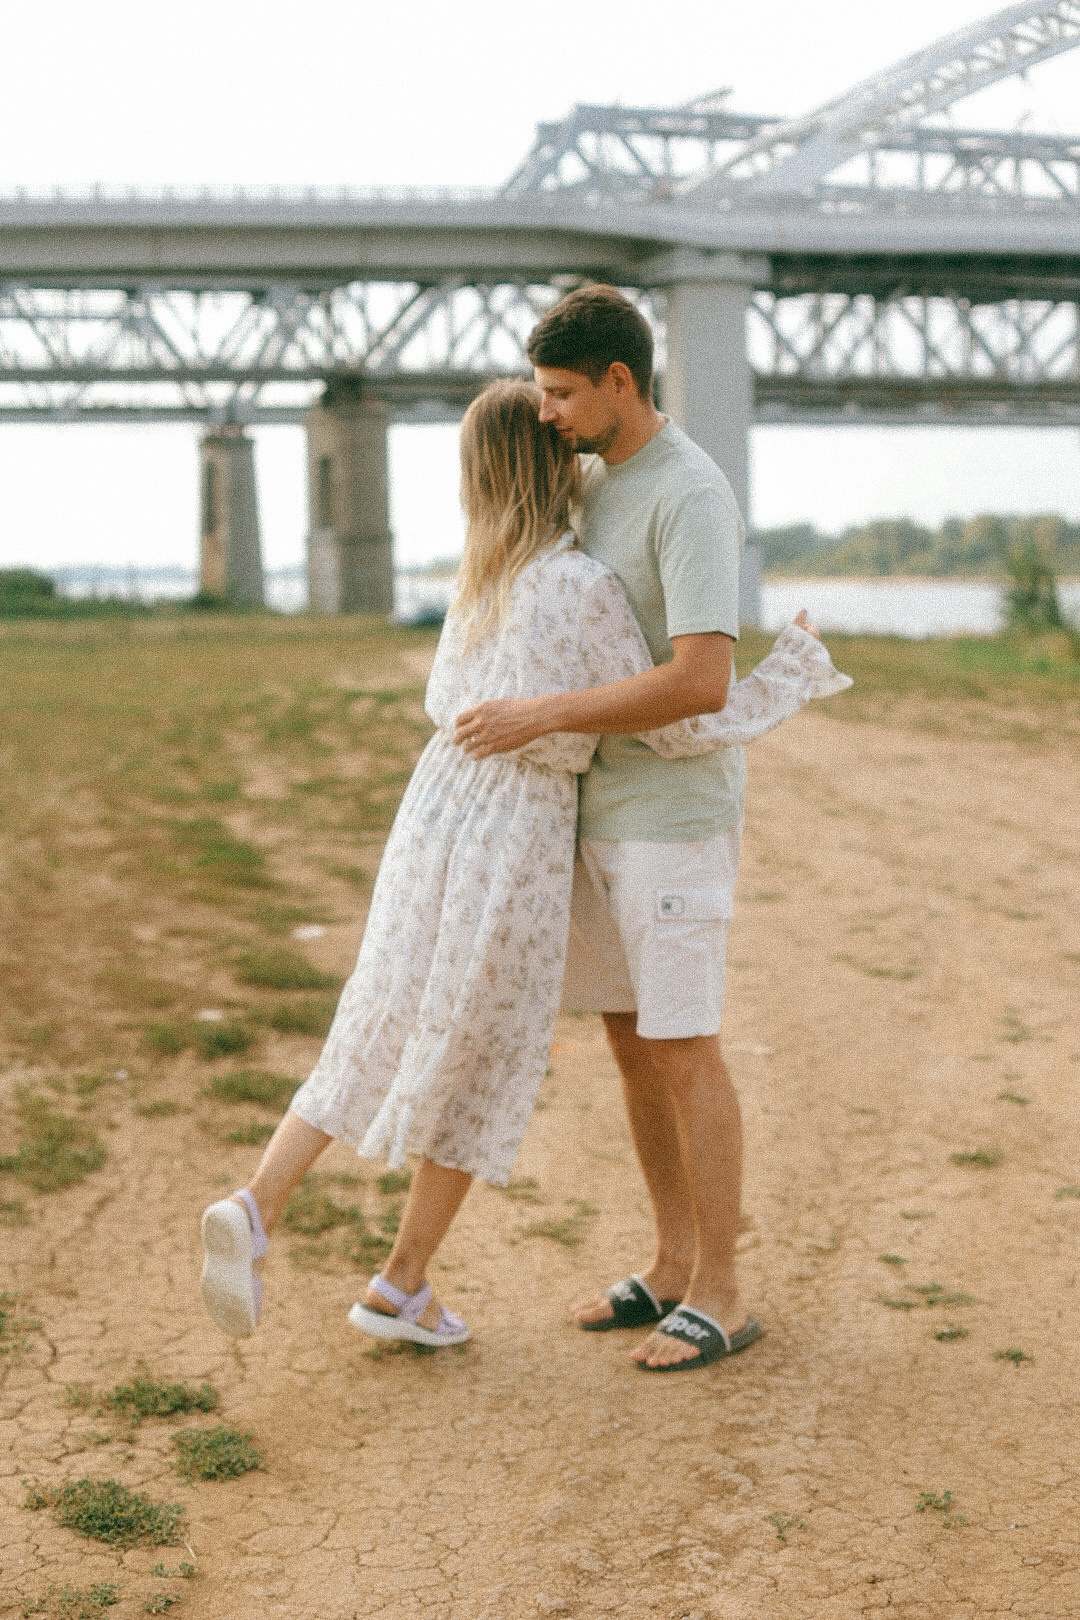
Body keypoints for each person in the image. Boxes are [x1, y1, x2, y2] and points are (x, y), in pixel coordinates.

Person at [200, 377, 849, 1356]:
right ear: (554, 463)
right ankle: (388, 1271)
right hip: (518, 835)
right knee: (485, 1051)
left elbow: (447, 705)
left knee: (379, 1013)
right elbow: (679, 720)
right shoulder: (578, 584)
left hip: (433, 819)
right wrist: (790, 672)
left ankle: (281, 1209)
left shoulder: (480, 579)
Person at [454, 284, 801, 1370]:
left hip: (673, 819)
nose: (546, 413)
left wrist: (538, 715)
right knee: (630, 1045)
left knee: (685, 1047)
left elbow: (702, 678)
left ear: (620, 381)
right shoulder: (597, 482)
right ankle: (670, 1266)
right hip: (595, 813)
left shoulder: (688, 494)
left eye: (561, 393)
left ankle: (726, 1293)